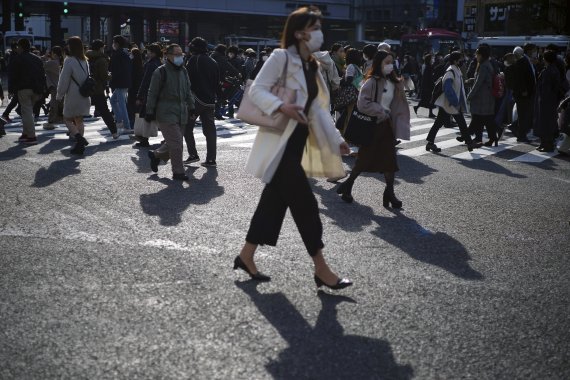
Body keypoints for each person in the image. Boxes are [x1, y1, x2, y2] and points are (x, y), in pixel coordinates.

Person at [236, 6, 352, 290]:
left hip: (298, 145)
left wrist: (337, 139)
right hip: (280, 145)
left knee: (272, 205)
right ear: (300, 32)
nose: (320, 33)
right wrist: (282, 106)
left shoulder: (312, 65)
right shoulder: (281, 58)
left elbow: (318, 110)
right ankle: (322, 269)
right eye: (316, 28)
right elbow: (256, 90)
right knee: (307, 206)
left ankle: (246, 255)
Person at [336, 50, 410, 206]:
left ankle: (389, 192)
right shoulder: (372, 82)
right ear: (379, 64)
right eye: (387, 62)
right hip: (373, 126)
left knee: (390, 160)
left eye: (391, 62)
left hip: (387, 126)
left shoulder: (394, 82)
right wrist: (381, 111)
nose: (390, 66)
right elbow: (362, 104)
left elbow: (398, 104)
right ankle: (348, 185)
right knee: (364, 159)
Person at [146, 44, 195, 180]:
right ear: (168, 55)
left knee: (174, 142)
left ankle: (155, 155)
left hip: (182, 111)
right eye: (177, 54)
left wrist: (191, 107)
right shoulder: (160, 72)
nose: (180, 57)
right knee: (177, 143)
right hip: (165, 112)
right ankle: (178, 172)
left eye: (181, 54)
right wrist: (149, 111)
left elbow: (188, 91)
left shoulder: (183, 71)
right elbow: (152, 93)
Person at [426, 51, 476, 153]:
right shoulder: (450, 72)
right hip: (450, 104)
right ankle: (469, 142)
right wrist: (455, 102)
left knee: (439, 123)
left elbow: (457, 86)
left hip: (449, 104)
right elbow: (448, 89)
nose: (463, 61)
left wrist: (467, 82)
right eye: (461, 59)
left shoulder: (456, 70)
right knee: (460, 122)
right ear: (455, 60)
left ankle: (430, 142)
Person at [184, 37, 219, 167]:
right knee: (210, 130)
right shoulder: (213, 61)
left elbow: (187, 79)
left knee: (187, 127)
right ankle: (211, 159)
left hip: (197, 99)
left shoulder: (194, 59)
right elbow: (216, 82)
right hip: (210, 100)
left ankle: (193, 154)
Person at [56, 36, 91, 155]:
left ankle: (79, 139)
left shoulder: (69, 61)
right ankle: (79, 145)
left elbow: (63, 80)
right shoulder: (85, 60)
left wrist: (59, 95)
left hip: (73, 94)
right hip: (84, 94)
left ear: (71, 47)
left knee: (66, 118)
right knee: (79, 119)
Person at [8, 38, 45, 145]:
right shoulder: (37, 59)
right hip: (36, 89)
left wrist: (11, 90)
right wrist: (42, 89)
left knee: (27, 111)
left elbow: (12, 75)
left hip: (23, 88)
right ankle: (25, 133)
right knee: (27, 112)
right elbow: (42, 75)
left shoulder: (17, 59)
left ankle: (31, 136)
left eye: (18, 46)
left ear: (21, 47)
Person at [465, 45, 502, 147]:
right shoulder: (486, 64)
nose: (476, 56)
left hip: (483, 97)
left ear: (481, 55)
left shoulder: (484, 66)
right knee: (486, 119)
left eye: (477, 54)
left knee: (480, 118)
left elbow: (478, 83)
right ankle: (491, 138)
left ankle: (470, 136)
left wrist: (470, 95)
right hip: (486, 97)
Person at [86, 40, 118, 139]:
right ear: (100, 48)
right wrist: (110, 75)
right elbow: (104, 76)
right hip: (98, 88)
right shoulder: (101, 60)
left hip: (86, 87)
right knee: (104, 111)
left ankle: (74, 132)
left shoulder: (86, 58)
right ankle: (114, 131)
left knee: (79, 112)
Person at [134, 43, 163, 147]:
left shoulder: (151, 64)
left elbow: (145, 81)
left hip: (150, 94)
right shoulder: (160, 63)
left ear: (153, 53)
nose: (147, 53)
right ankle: (165, 138)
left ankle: (144, 140)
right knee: (158, 117)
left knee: (148, 116)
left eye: (149, 51)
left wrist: (139, 96)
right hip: (160, 94)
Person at [533, 51, 562, 152]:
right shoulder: (554, 70)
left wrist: (542, 100)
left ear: (545, 59)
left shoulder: (548, 71)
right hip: (551, 100)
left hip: (545, 101)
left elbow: (546, 89)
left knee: (545, 123)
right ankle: (544, 143)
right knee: (548, 123)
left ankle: (547, 145)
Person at [511, 44, 537, 143]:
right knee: (523, 115)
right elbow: (520, 78)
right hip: (523, 94)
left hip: (526, 93)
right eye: (534, 50)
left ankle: (516, 128)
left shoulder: (525, 61)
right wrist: (524, 90)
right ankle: (521, 135)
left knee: (524, 115)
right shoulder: (522, 61)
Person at [109, 35, 132, 134]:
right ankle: (119, 121)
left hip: (119, 81)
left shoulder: (117, 54)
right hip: (126, 80)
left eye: (113, 42)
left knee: (121, 103)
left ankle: (126, 125)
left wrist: (111, 78)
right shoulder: (125, 53)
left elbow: (114, 69)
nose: (112, 44)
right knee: (113, 100)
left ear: (117, 43)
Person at [43, 46, 63, 130]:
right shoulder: (60, 61)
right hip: (61, 85)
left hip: (55, 86)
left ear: (54, 53)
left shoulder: (53, 63)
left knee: (54, 104)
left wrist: (45, 56)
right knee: (60, 104)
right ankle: (59, 119)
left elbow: (42, 65)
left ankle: (51, 121)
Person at [414, 53, 436, 118]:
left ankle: (429, 112)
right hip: (427, 86)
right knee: (428, 99)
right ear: (429, 59)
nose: (433, 59)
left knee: (427, 99)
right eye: (432, 58)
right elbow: (428, 77)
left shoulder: (428, 66)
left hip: (427, 85)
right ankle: (429, 113)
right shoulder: (428, 67)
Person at [127, 48, 144, 129]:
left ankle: (132, 123)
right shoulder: (141, 65)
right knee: (137, 108)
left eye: (131, 53)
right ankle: (136, 123)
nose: (130, 55)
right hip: (139, 89)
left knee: (130, 106)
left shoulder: (131, 64)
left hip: (132, 88)